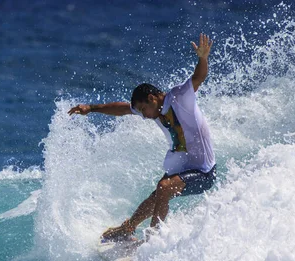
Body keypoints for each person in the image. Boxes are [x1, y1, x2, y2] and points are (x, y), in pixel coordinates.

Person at [68, 33, 216, 242]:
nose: (144, 115)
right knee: (158, 194)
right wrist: (91, 108)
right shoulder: (154, 110)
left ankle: (152, 242)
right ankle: (127, 228)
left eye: (144, 109)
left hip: (204, 172)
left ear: (152, 98)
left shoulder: (180, 97)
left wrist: (203, 58)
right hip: (186, 167)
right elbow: (123, 109)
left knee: (164, 188)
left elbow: (198, 78)